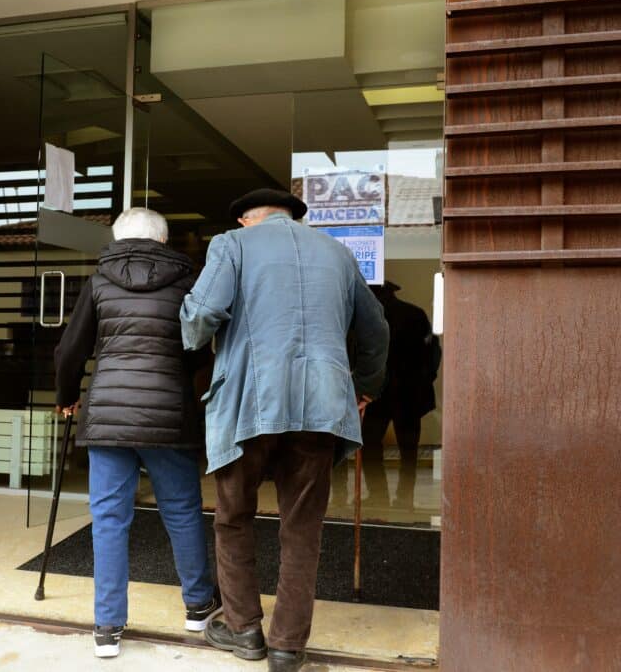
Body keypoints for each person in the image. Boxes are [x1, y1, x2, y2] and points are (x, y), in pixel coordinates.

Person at [180, 188, 389, 672]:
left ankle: (244, 630)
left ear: (246, 220)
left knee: (234, 516)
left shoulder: (232, 245)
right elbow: (376, 329)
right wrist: (364, 389)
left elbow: (202, 315)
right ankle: (287, 647)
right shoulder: (336, 253)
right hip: (322, 404)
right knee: (302, 527)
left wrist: (191, 332)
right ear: (294, 218)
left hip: (249, 403)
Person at [54, 207, 220, 659]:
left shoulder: (100, 280)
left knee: (109, 517)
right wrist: (177, 373)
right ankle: (198, 606)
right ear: (163, 241)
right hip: (167, 413)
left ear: (118, 238)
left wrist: (67, 396)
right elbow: (197, 348)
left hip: (108, 413)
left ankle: (107, 626)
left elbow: (71, 348)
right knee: (182, 511)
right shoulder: (189, 281)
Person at [361, 281, 441, 512]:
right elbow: (433, 352)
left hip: (378, 394)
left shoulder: (370, 319)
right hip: (409, 393)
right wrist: (425, 379)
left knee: (370, 446)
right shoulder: (414, 314)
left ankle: (379, 495)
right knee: (409, 451)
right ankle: (404, 498)